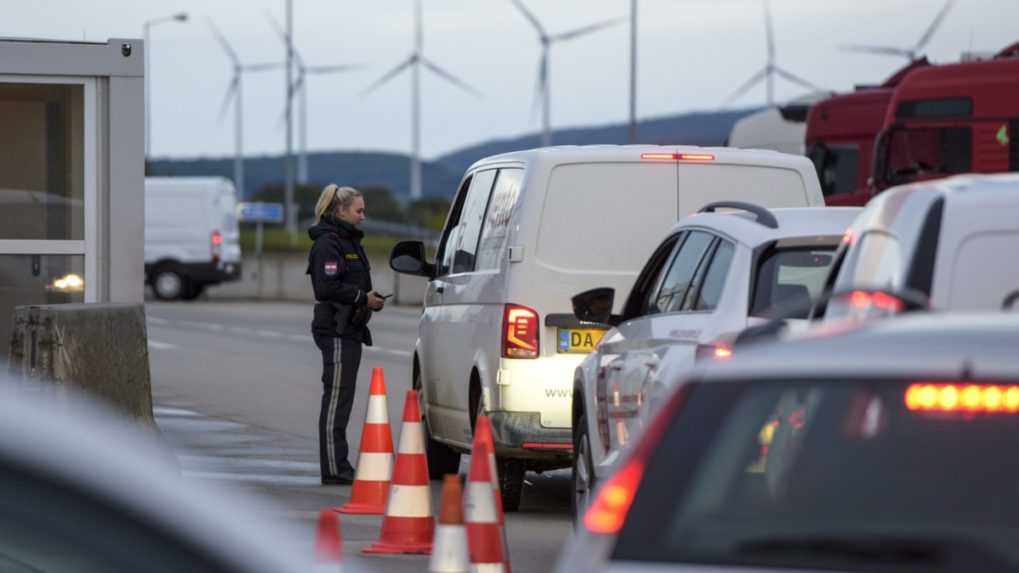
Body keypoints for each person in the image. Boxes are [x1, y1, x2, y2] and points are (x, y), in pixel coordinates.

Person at [307, 184, 386, 485]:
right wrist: (362, 298)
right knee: (337, 399)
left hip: (350, 328)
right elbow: (325, 288)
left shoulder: (349, 241)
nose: (363, 216)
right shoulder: (329, 243)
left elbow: (349, 284)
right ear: (340, 210)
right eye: (359, 210)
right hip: (336, 328)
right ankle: (334, 468)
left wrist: (368, 299)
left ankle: (338, 464)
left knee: (343, 398)